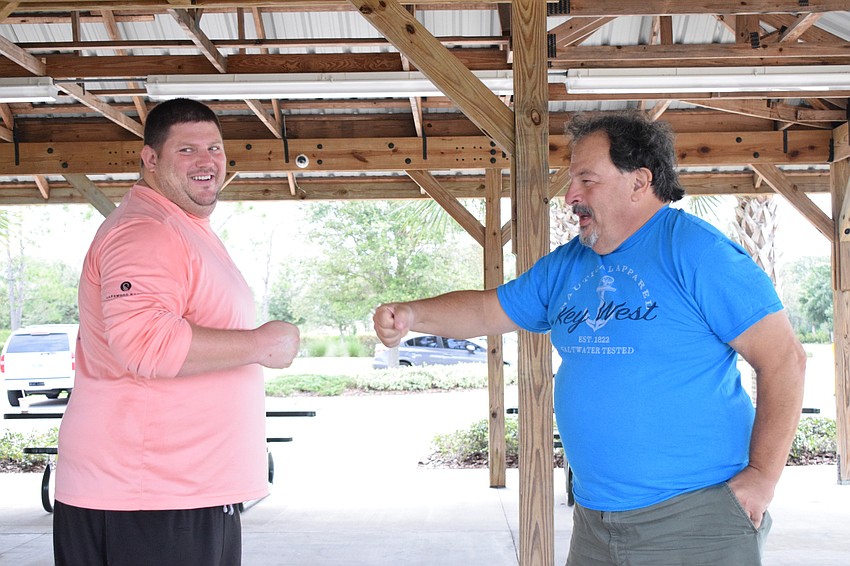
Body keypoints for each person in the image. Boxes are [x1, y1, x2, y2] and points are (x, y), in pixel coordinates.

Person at [373, 110, 806, 565]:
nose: (570, 196)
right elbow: (487, 309)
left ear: (639, 181)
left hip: (694, 518)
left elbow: (784, 360)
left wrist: (762, 477)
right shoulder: (566, 266)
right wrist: (412, 314)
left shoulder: (699, 253)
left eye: (586, 180)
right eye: (571, 180)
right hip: (595, 524)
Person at [53, 98, 300, 566]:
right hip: (150, 496)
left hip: (173, 490)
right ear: (150, 159)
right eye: (187, 150)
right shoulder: (146, 230)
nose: (207, 161)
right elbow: (145, 343)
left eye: (214, 148)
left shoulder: (180, 226)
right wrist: (260, 345)